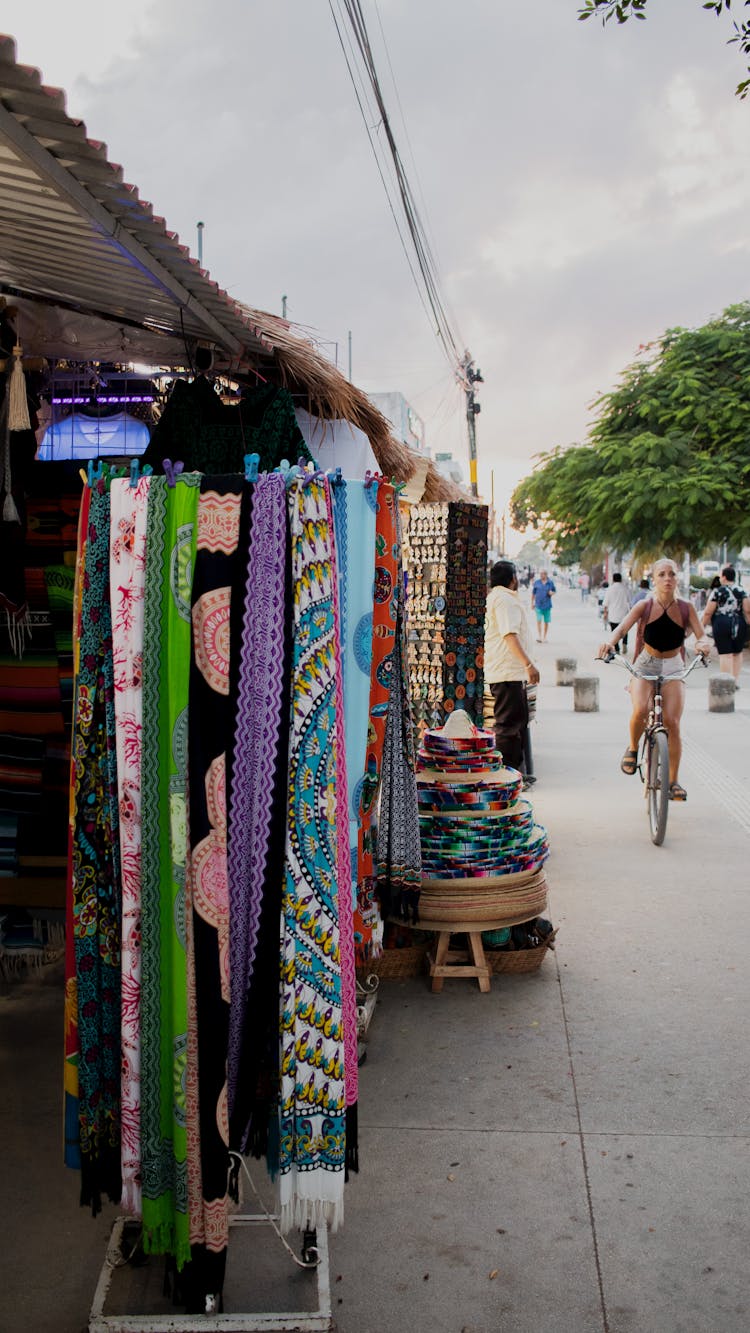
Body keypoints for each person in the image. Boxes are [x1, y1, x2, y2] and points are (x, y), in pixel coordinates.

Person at [596, 557, 711, 802]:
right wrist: (609, 644)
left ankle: (673, 782)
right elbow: (621, 629)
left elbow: (702, 635)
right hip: (645, 663)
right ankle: (633, 748)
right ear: (654, 579)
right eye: (662, 574)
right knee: (641, 709)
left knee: (673, 722)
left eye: (671, 574)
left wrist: (703, 645)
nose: (667, 578)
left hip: (673, 666)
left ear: (677, 578)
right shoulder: (645, 606)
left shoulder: (686, 607)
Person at [485, 560, 540, 782]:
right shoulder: (504, 600)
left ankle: (515, 773)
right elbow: (510, 635)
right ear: (513, 578)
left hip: (508, 672)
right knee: (507, 726)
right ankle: (506, 777)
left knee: (515, 722)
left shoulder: (497, 598)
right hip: (507, 672)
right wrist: (528, 664)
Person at [701, 565, 750, 687]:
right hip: (739, 624)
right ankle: (735, 681)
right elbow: (747, 610)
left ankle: (726, 681)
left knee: (725, 654)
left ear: (723, 577)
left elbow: (708, 611)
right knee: (737, 653)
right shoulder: (742, 591)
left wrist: (702, 626)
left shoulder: (717, 591)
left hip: (721, 623)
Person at [601, 573, 632, 653]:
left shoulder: (610, 589)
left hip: (613, 614)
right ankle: (624, 644)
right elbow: (629, 601)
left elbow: (605, 603)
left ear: (613, 579)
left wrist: (605, 613)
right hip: (624, 613)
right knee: (625, 630)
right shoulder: (625, 589)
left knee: (614, 631)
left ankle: (617, 649)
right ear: (620, 579)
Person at [530, 568, 556, 642]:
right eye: (540, 574)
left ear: (546, 575)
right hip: (538, 605)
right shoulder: (537, 583)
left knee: (546, 622)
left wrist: (552, 593)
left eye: (542, 574)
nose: (541, 575)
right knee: (538, 620)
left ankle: (545, 637)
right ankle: (539, 636)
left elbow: (554, 591)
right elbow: (533, 593)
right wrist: (532, 603)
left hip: (547, 605)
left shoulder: (550, 583)